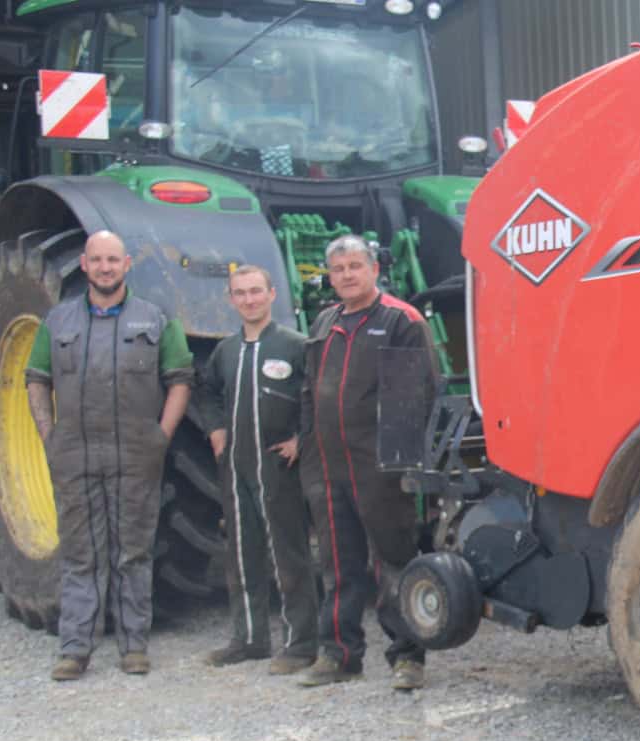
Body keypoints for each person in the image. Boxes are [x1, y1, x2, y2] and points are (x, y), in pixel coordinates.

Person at [26, 230, 193, 681]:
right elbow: (36, 378)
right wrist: (49, 436)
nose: (104, 268)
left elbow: (180, 378)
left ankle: (133, 644)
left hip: (137, 454)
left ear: (126, 264)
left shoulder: (156, 319)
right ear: (84, 264)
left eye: (112, 260)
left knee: (133, 551)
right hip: (75, 455)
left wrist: (162, 434)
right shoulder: (57, 322)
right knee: (80, 553)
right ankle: (75, 648)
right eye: (96, 260)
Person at [298, 234, 435, 690]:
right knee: (338, 563)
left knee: (392, 560)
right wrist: (309, 455)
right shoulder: (324, 324)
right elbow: (308, 393)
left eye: (356, 266)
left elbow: (413, 400)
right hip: (328, 464)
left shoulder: (401, 321)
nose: (347, 276)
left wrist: (398, 468)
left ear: (375, 270)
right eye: (338, 269)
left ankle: (407, 657)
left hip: (379, 467)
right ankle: (338, 654)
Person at [199, 265, 319, 674]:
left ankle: (301, 644)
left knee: (288, 553)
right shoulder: (226, 351)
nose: (249, 299)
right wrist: (215, 429)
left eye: (256, 291)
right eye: (240, 293)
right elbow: (208, 391)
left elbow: (317, 397)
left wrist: (302, 439)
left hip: (277, 467)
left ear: (272, 295)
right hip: (235, 467)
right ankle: (249, 639)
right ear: (231, 300)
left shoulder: (294, 346)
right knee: (242, 552)